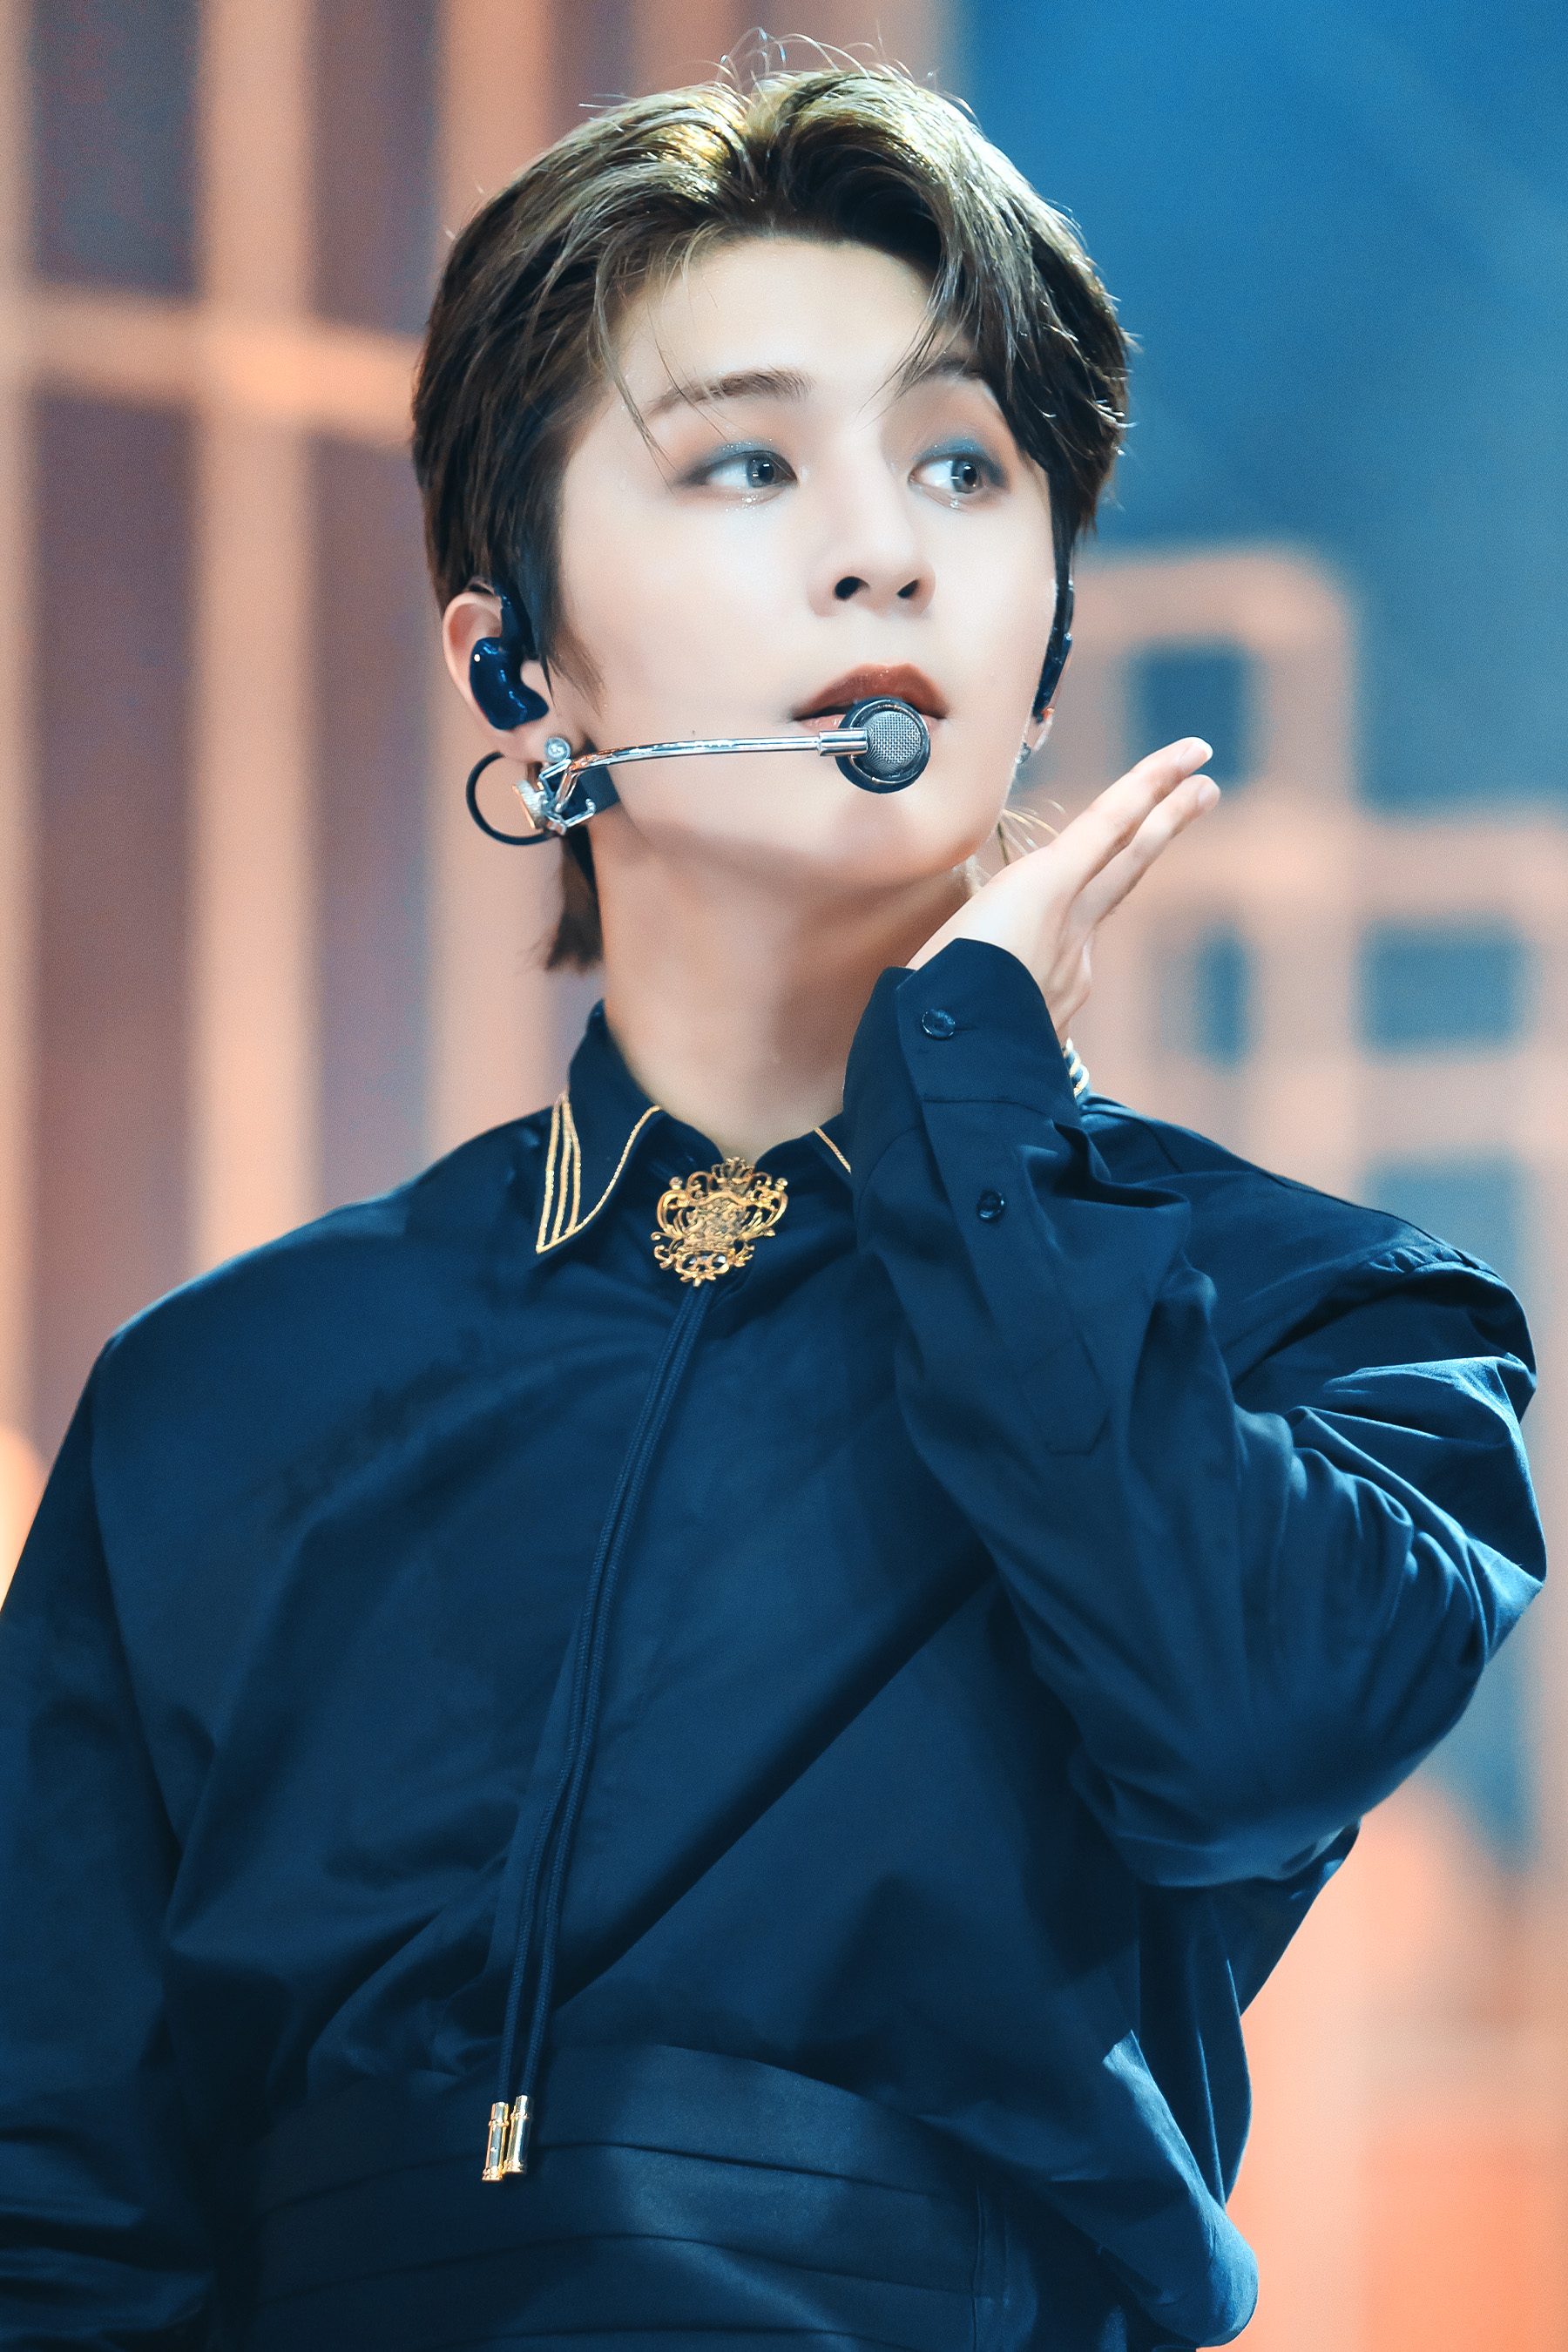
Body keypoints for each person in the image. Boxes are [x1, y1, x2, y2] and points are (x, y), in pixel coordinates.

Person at [0, 64, 1543, 2352]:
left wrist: (973, 1110)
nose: (883, 550)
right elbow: (55, 2215)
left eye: (963, 468)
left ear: (1045, 636)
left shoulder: (1326, 1318)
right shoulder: (218, 1399)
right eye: (746, 462)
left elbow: (1244, 1736)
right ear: (516, 662)